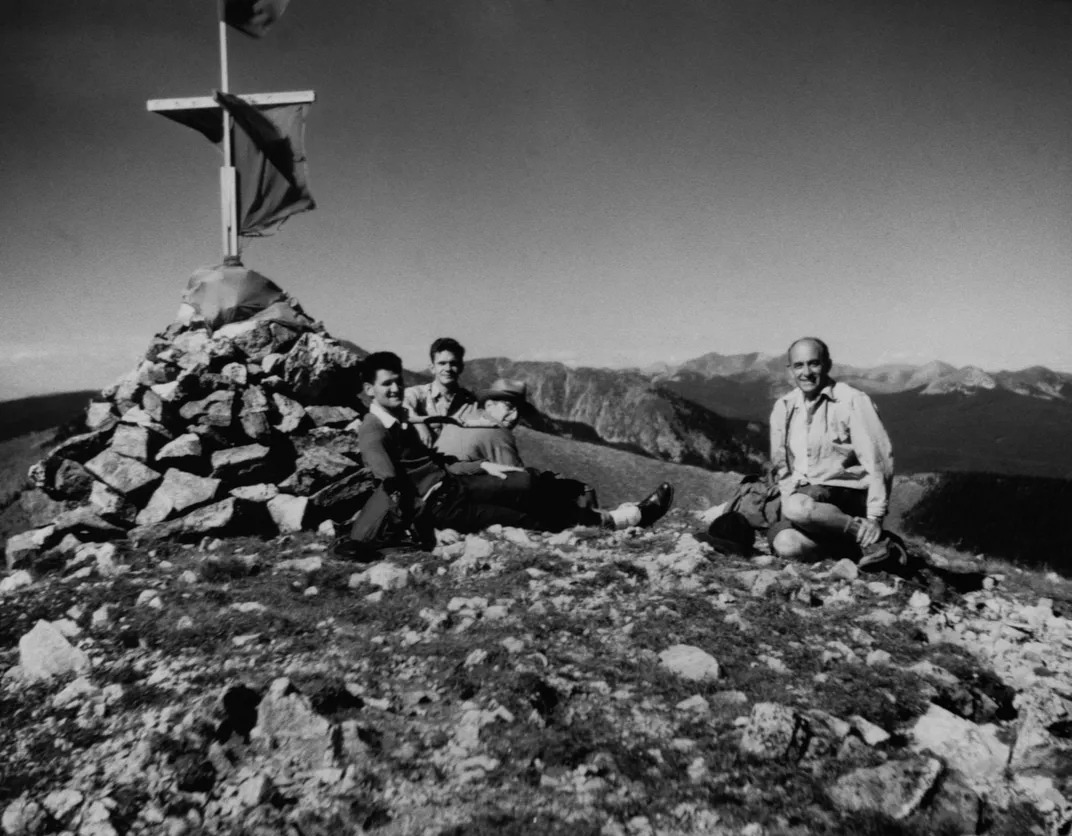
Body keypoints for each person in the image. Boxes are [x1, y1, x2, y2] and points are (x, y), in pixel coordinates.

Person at [336, 352, 674, 558]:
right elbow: (393, 489)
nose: (396, 389)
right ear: (369, 390)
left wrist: (482, 465)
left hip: (452, 486)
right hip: (442, 507)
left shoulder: (399, 421)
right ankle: (620, 520)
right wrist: (432, 533)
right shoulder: (373, 429)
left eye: (397, 382)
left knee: (526, 483)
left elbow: (433, 464)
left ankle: (607, 517)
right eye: (386, 385)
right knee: (528, 520)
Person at [766, 337, 903, 567]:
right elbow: (783, 466)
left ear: (827, 365)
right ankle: (858, 549)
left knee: (796, 506)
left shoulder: (851, 401)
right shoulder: (784, 407)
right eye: (799, 365)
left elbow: (878, 461)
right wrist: (790, 510)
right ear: (790, 370)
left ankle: (870, 537)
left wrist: (875, 517)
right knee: (785, 544)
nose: (806, 372)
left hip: (844, 495)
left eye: (814, 364)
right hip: (808, 503)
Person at [402, 337, 480, 446]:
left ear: (461, 367)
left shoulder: (469, 401)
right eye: (442, 363)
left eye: (453, 363)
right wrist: (419, 423)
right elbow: (401, 405)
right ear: (432, 368)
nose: (448, 368)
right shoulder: (419, 393)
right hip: (426, 458)